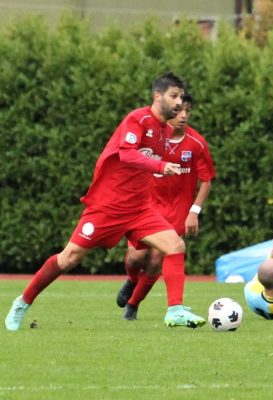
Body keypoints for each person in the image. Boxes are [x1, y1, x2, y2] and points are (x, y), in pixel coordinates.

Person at [5, 72, 206, 331]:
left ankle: (175, 310)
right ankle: (23, 301)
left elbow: (143, 168)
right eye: (174, 96)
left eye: (181, 97)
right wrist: (161, 165)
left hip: (140, 209)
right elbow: (126, 154)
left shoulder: (165, 130)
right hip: (108, 208)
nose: (179, 103)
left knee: (175, 245)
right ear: (157, 96)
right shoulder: (137, 119)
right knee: (68, 259)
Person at [115, 93, 216, 321]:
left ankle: (132, 305)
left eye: (187, 111)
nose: (183, 116)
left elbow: (207, 179)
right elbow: (130, 159)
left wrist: (194, 211)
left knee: (156, 259)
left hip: (177, 211)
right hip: (147, 206)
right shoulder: (152, 136)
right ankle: (132, 280)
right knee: (135, 258)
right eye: (178, 110)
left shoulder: (197, 143)